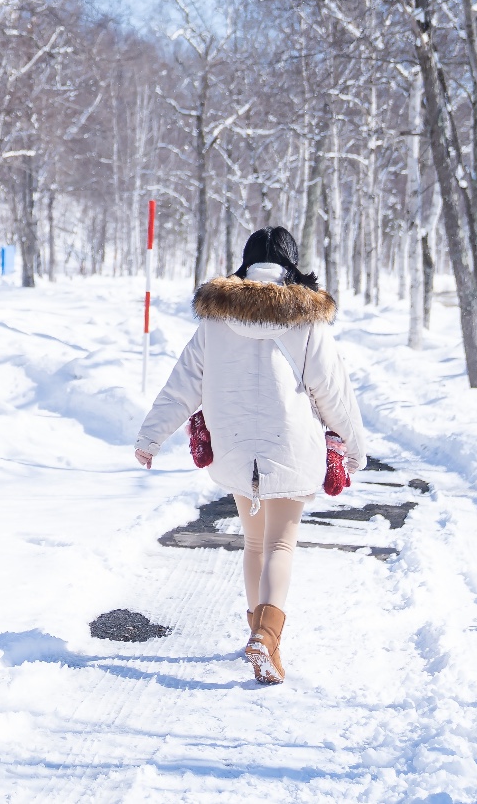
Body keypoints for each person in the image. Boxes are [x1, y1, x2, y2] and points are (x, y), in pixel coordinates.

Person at [133, 226, 365, 684]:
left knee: (255, 543)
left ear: (245, 264)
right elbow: (333, 393)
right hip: (292, 447)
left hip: (236, 448)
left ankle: (257, 632)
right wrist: (354, 447)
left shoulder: (215, 321)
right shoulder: (307, 321)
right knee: (281, 544)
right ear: (291, 265)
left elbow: (183, 385)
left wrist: (150, 437)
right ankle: (267, 639)